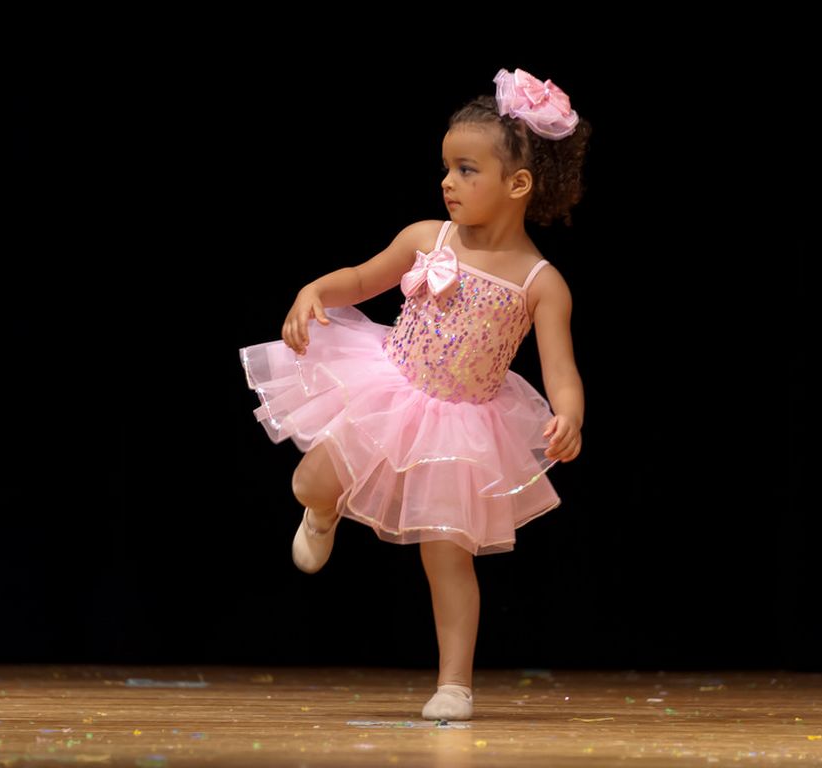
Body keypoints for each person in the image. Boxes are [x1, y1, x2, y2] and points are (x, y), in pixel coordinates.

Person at [240, 68, 590, 721]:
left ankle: (454, 684)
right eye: (446, 168)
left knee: (448, 555)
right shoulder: (428, 237)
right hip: (388, 389)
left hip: (462, 427)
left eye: (465, 170)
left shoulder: (543, 283)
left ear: (517, 184)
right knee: (310, 481)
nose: (446, 182)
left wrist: (568, 413)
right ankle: (323, 512)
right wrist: (314, 291)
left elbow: (561, 369)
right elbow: (360, 279)